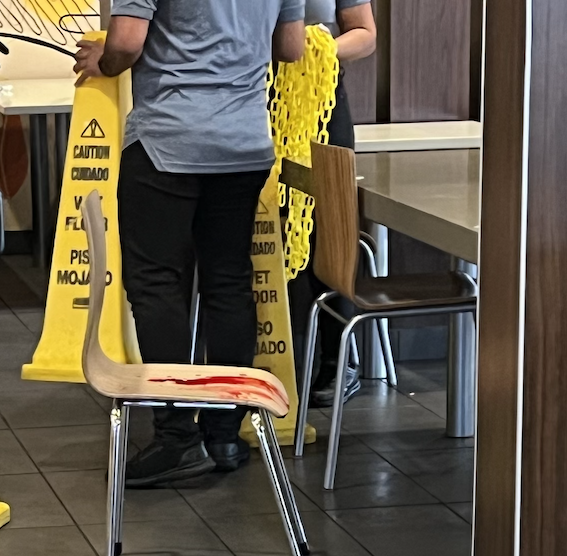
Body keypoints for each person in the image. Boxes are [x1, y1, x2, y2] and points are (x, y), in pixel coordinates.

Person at [74, 0, 306, 488]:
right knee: (228, 284)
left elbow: (125, 43)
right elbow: (290, 47)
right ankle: (224, 432)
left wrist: (105, 63)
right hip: (243, 142)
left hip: (168, 140)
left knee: (158, 283)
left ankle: (177, 437)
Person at [290, 0, 376, 408]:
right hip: (251, 101)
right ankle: (280, 358)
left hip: (320, 101)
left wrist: (314, 47)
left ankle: (337, 360)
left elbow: (365, 33)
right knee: (271, 230)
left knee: (327, 232)